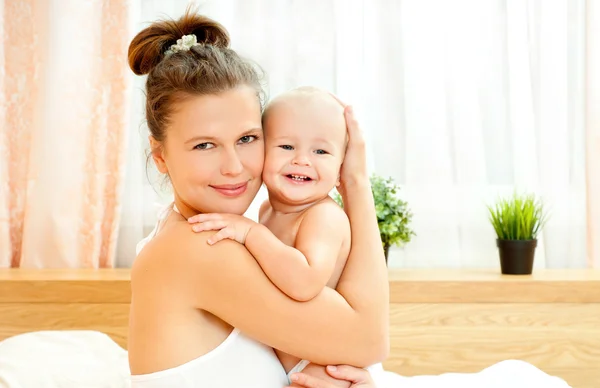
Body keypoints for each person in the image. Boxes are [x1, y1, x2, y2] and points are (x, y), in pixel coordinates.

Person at [127, 9, 388, 388]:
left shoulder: (225, 230)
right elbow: (370, 340)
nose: (233, 167)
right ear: (161, 155)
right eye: (204, 145)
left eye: (247, 139)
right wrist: (356, 183)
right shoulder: (199, 248)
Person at [186, 86, 377, 388]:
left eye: (321, 151)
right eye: (286, 147)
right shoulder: (266, 209)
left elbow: (304, 281)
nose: (302, 160)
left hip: (322, 365)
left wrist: (251, 232)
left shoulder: (322, 216)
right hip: (287, 355)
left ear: (341, 167)